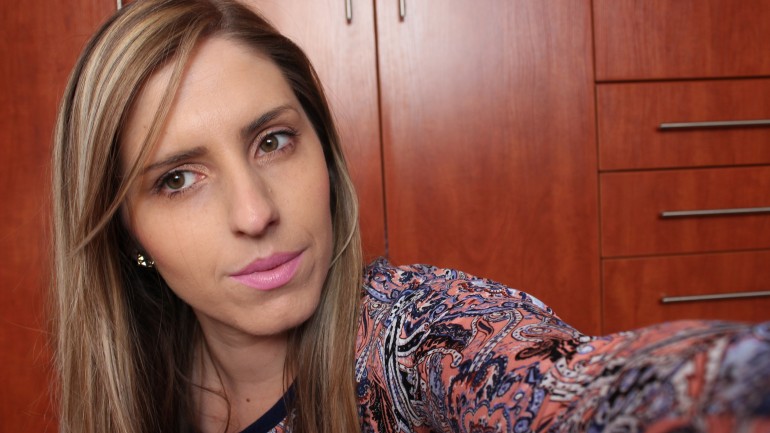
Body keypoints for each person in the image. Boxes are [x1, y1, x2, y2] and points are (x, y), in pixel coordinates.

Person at [50, 0, 770, 432]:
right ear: (126, 231)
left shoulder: (411, 334)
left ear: (323, 152)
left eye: (272, 141)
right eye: (177, 179)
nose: (255, 211)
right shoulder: (137, 384)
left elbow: (558, 386)